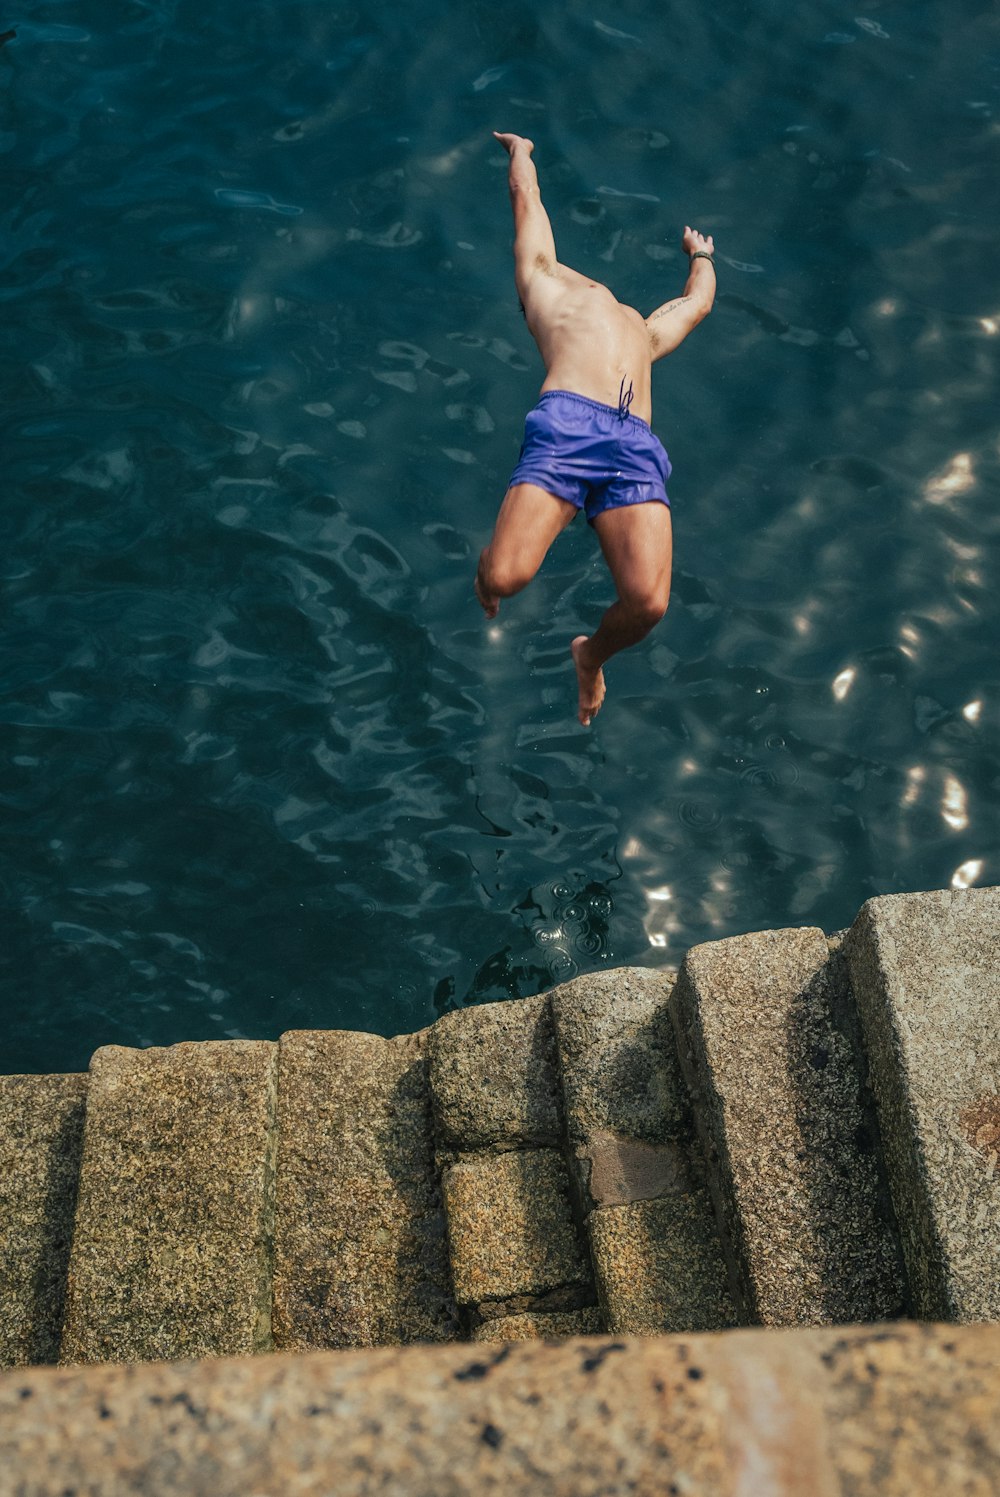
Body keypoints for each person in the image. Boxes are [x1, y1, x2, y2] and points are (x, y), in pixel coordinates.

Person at [476, 131, 716, 726]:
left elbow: (696, 305)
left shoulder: (643, 330)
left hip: (634, 444)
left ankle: (591, 656)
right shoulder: (542, 285)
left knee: (648, 602)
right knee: (505, 574)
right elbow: (526, 205)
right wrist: (521, 155)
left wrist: (702, 257)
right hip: (568, 424)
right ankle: (487, 573)